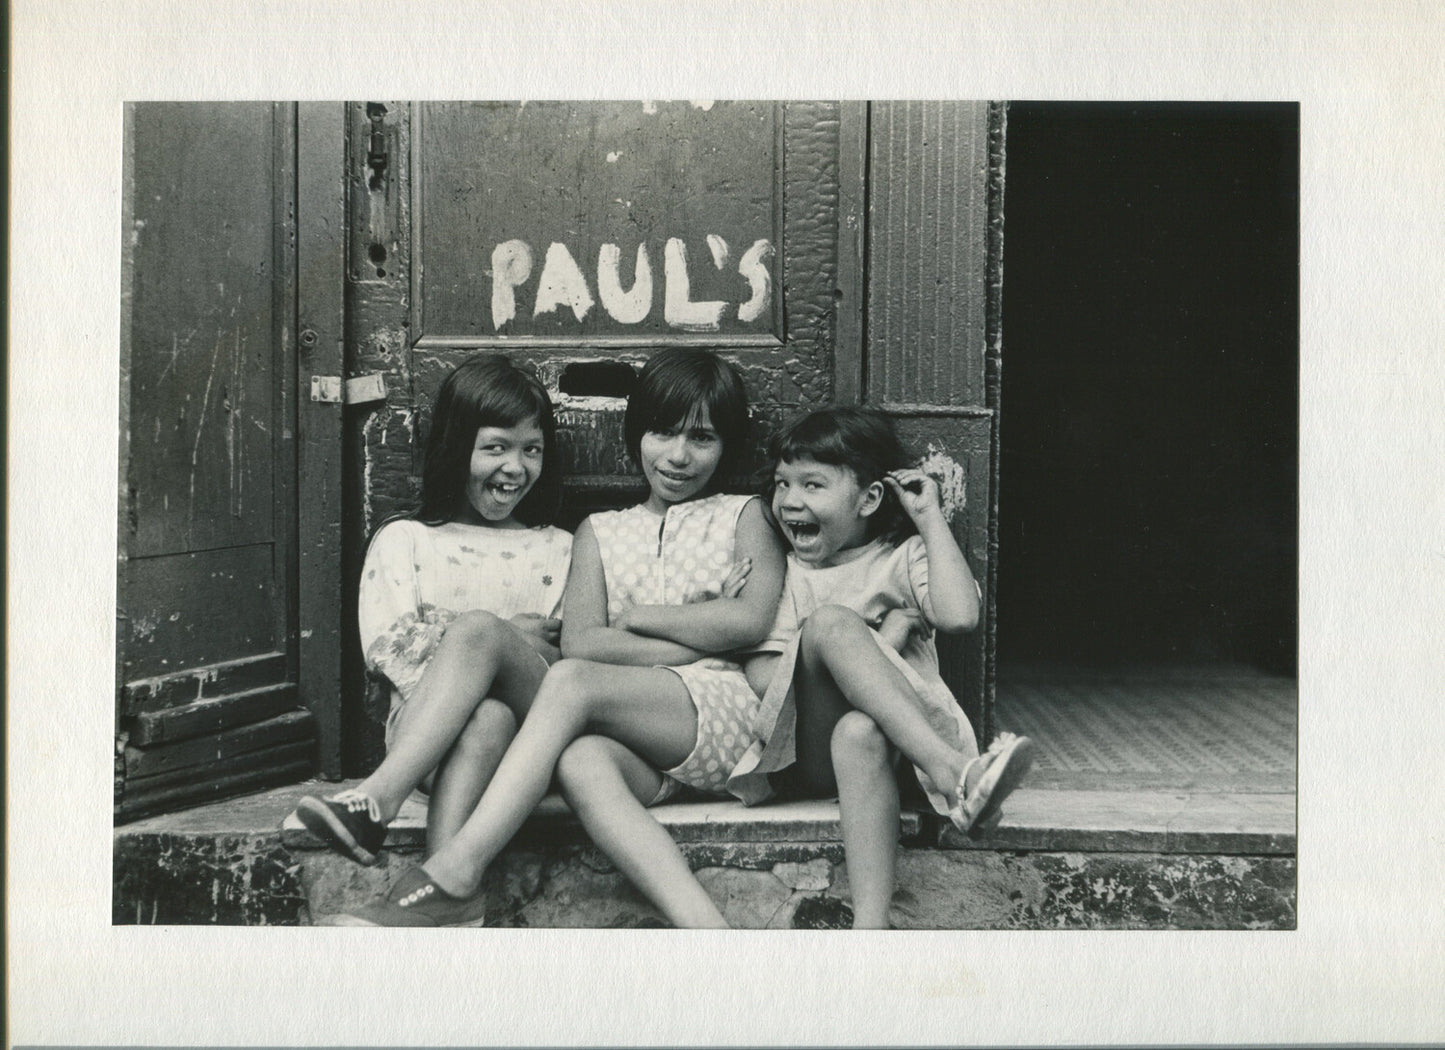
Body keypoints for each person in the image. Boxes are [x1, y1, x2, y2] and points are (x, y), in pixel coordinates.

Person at [328, 347, 786, 927]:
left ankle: (454, 868)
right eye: (663, 433)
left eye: (702, 438)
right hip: (624, 739)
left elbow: (748, 622)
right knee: (580, 760)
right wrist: (705, 628)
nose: (679, 455)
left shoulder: (746, 515)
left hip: (720, 717)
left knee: (570, 682)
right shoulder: (600, 532)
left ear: (727, 445)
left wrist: (640, 617)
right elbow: (586, 644)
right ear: (635, 434)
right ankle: (712, 937)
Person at [727, 406, 1035, 929]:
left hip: (892, 759)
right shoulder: (789, 571)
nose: (790, 500)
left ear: (869, 499)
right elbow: (762, 676)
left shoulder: (902, 557)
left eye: (813, 485)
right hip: (807, 755)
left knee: (860, 730)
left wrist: (929, 518)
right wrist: (881, 642)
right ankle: (954, 772)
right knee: (830, 623)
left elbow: (960, 616)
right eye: (782, 483)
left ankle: (869, 935)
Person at [291, 355, 571, 909]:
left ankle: (377, 799)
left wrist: (492, 641)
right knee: (486, 710)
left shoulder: (558, 547)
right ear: (455, 446)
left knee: (481, 638)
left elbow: (565, 660)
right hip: (426, 744)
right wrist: (504, 638)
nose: (515, 467)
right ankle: (446, 897)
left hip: (534, 744)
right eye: (495, 447)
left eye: (531, 450)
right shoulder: (407, 540)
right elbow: (389, 647)